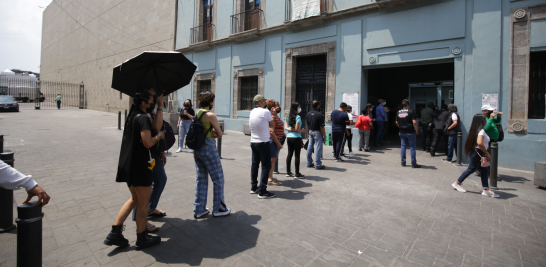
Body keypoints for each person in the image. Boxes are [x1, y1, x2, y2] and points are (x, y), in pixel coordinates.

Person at [105, 91, 162, 249]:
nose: (153, 102)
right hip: (139, 167)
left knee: (134, 199)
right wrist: (159, 136)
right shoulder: (143, 118)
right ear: (143, 103)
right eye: (151, 100)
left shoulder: (132, 117)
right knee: (143, 203)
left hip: (127, 165)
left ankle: (115, 232)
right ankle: (142, 237)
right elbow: (148, 142)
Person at [130, 89, 168, 233]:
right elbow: (155, 130)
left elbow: (156, 129)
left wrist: (162, 150)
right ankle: (140, 220)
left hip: (154, 154)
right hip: (144, 156)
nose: (154, 95)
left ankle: (149, 209)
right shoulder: (141, 114)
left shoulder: (148, 111)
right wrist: (159, 136)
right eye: (151, 95)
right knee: (142, 190)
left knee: (160, 179)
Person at [192, 91, 231, 218]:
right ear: (210, 102)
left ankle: (199, 209)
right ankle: (218, 208)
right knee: (218, 178)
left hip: (197, 148)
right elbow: (219, 134)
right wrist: (213, 132)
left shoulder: (198, 113)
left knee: (201, 178)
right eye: (213, 101)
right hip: (208, 147)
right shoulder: (210, 115)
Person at [451, 114, 499, 198]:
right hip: (479, 152)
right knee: (472, 168)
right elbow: (480, 143)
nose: (486, 121)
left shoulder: (476, 130)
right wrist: (487, 153)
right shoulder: (481, 131)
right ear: (481, 121)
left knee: (484, 170)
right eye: (484, 119)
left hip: (477, 152)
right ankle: (457, 183)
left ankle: (486, 189)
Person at [249, 95, 277, 199]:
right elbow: (272, 123)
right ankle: (262, 191)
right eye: (264, 101)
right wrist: (272, 128)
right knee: (266, 166)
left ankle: (253, 187)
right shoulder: (265, 112)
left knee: (255, 165)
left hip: (253, 142)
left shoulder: (252, 111)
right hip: (263, 142)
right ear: (261, 102)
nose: (265, 102)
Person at [396, 99, 421, 168]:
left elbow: (397, 122)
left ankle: (403, 162)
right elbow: (414, 122)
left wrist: (400, 127)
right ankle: (413, 163)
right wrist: (416, 130)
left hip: (401, 132)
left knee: (403, 146)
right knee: (412, 147)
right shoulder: (411, 111)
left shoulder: (399, 112)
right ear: (408, 105)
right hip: (410, 132)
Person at [285, 102, 305, 178]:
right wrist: (302, 131)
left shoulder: (287, 116)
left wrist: (291, 129)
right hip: (296, 138)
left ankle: (288, 171)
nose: (300, 108)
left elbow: (286, 128)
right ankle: (297, 173)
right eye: (299, 107)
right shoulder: (298, 117)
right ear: (296, 108)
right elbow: (297, 129)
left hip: (289, 137)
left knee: (289, 154)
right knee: (297, 156)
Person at [266, 100, 284, 185]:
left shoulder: (275, 116)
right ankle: (269, 179)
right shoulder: (272, 117)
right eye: (278, 105)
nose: (279, 107)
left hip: (276, 140)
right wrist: (278, 143)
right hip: (273, 141)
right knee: (272, 160)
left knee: (273, 159)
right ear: (274, 107)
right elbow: (271, 132)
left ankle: (271, 176)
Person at [306, 100, 326, 169]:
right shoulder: (319, 114)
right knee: (318, 148)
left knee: (310, 146)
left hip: (311, 131)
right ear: (318, 106)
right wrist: (324, 136)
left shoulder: (308, 113)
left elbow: (307, 125)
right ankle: (318, 164)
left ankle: (308, 162)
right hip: (317, 132)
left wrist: (308, 133)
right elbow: (322, 126)